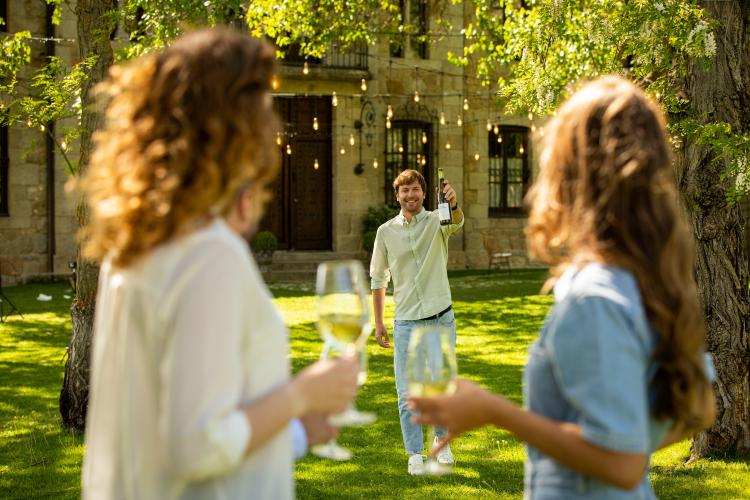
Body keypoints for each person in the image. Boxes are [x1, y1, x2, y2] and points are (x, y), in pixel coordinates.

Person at [80, 29, 359, 500]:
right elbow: (194, 447)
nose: (270, 122)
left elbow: (178, 422)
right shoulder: (206, 254)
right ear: (231, 124)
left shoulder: (140, 244)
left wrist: (295, 432)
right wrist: (301, 395)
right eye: (260, 103)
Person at [410, 76, 717, 497]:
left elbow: (621, 463)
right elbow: (696, 410)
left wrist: (495, 411)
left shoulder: (594, 297)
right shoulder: (648, 279)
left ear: (570, 169)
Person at [370, 168, 464, 474]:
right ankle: (414, 452)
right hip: (406, 321)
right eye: (404, 190)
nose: (410, 195)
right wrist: (379, 321)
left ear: (424, 193)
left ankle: (442, 442)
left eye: (415, 190)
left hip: (440, 318)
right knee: (407, 390)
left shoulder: (439, 220)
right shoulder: (385, 232)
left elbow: (457, 220)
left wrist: (454, 201)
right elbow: (378, 278)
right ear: (396, 195)